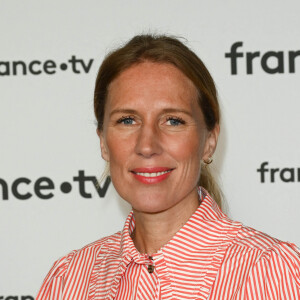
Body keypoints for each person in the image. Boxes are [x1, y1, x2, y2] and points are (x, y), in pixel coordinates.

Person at [36, 34, 300, 299]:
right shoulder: (69, 280)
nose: (147, 145)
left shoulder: (269, 271)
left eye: (173, 121)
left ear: (209, 140)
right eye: (127, 120)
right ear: (103, 142)